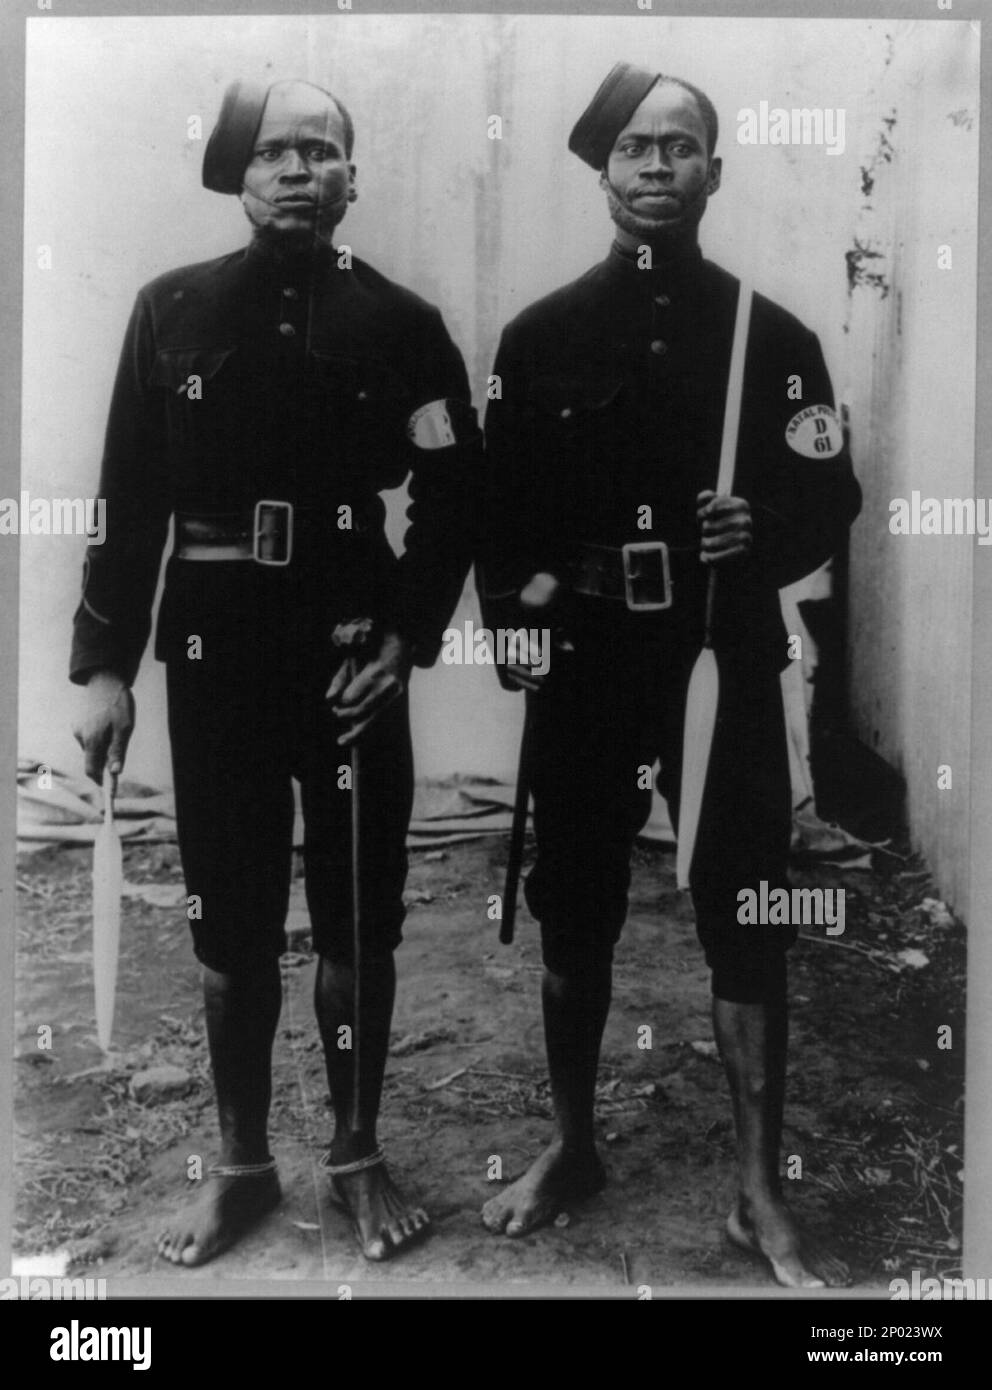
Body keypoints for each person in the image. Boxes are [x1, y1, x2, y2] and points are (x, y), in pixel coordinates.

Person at [71, 78, 481, 1265]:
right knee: (227, 914)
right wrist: (104, 669)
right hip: (214, 651)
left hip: (351, 650)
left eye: (322, 150)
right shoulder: (172, 311)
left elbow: (454, 494)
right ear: (236, 177)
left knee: (358, 910)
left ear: (354, 176)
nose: (298, 169)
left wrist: (405, 635)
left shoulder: (401, 324)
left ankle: (356, 1151)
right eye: (273, 153)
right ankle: (244, 1162)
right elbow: (127, 499)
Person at [480, 63, 861, 1288]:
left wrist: (767, 530)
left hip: (718, 662)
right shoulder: (538, 339)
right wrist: (516, 629)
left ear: (713, 170)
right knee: (574, 909)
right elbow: (500, 518)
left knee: (745, 911)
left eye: (679, 147)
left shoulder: (774, 335)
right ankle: (573, 1142)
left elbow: (828, 495)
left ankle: (757, 1191)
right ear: (603, 171)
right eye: (634, 149)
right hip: (590, 667)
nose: (655, 167)